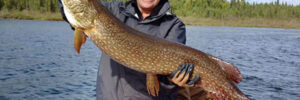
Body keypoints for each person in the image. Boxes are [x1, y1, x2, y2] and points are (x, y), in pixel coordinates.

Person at [58, 0, 201, 100]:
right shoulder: (114, 10)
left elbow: (173, 71)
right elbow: (74, 14)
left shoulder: (173, 25)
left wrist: (178, 78)